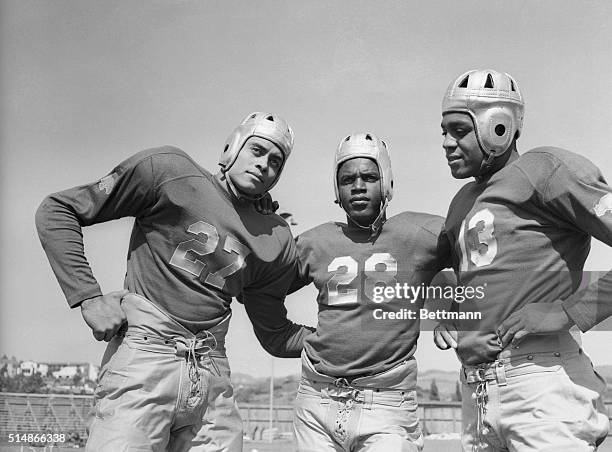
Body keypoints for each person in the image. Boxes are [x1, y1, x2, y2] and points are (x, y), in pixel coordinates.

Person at [35, 111, 313, 452]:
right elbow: (58, 210)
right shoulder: (169, 171)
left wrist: (351, 338)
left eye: (276, 162)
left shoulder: (276, 237)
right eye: (257, 151)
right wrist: (88, 296)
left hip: (212, 368)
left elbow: (273, 332)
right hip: (146, 355)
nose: (264, 165)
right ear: (232, 147)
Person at [435, 69, 612, 451]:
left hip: (540, 381)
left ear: (497, 127)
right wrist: (455, 310)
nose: (447, 143)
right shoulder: (461, 203)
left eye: (459, 131)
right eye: (444, 132)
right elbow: (487, 275)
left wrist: (571, 311)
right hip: (477, 393)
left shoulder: (547, 169)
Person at [290, 133, 451, 451]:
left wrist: (454, 312)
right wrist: (285, 339)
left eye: (369, 176)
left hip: (387, 402)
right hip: (316, 399)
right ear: (337, 190)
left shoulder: (420, 233)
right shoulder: (314, 242)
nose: (358, 186)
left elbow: (483, 255)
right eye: (348, 179)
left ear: (387, 182)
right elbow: (260, 287)